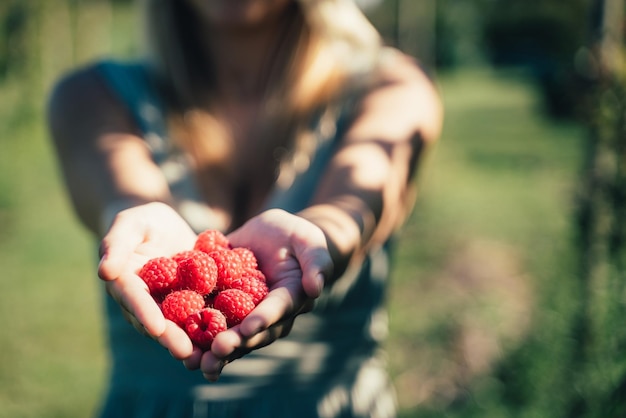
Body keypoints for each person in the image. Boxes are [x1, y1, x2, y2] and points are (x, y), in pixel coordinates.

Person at [47, 0, 442, 416]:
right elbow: (126, 192)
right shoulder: (89, 97)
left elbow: (353, 204)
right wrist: (135, 216)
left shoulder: (392, 89)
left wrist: (318, 238)